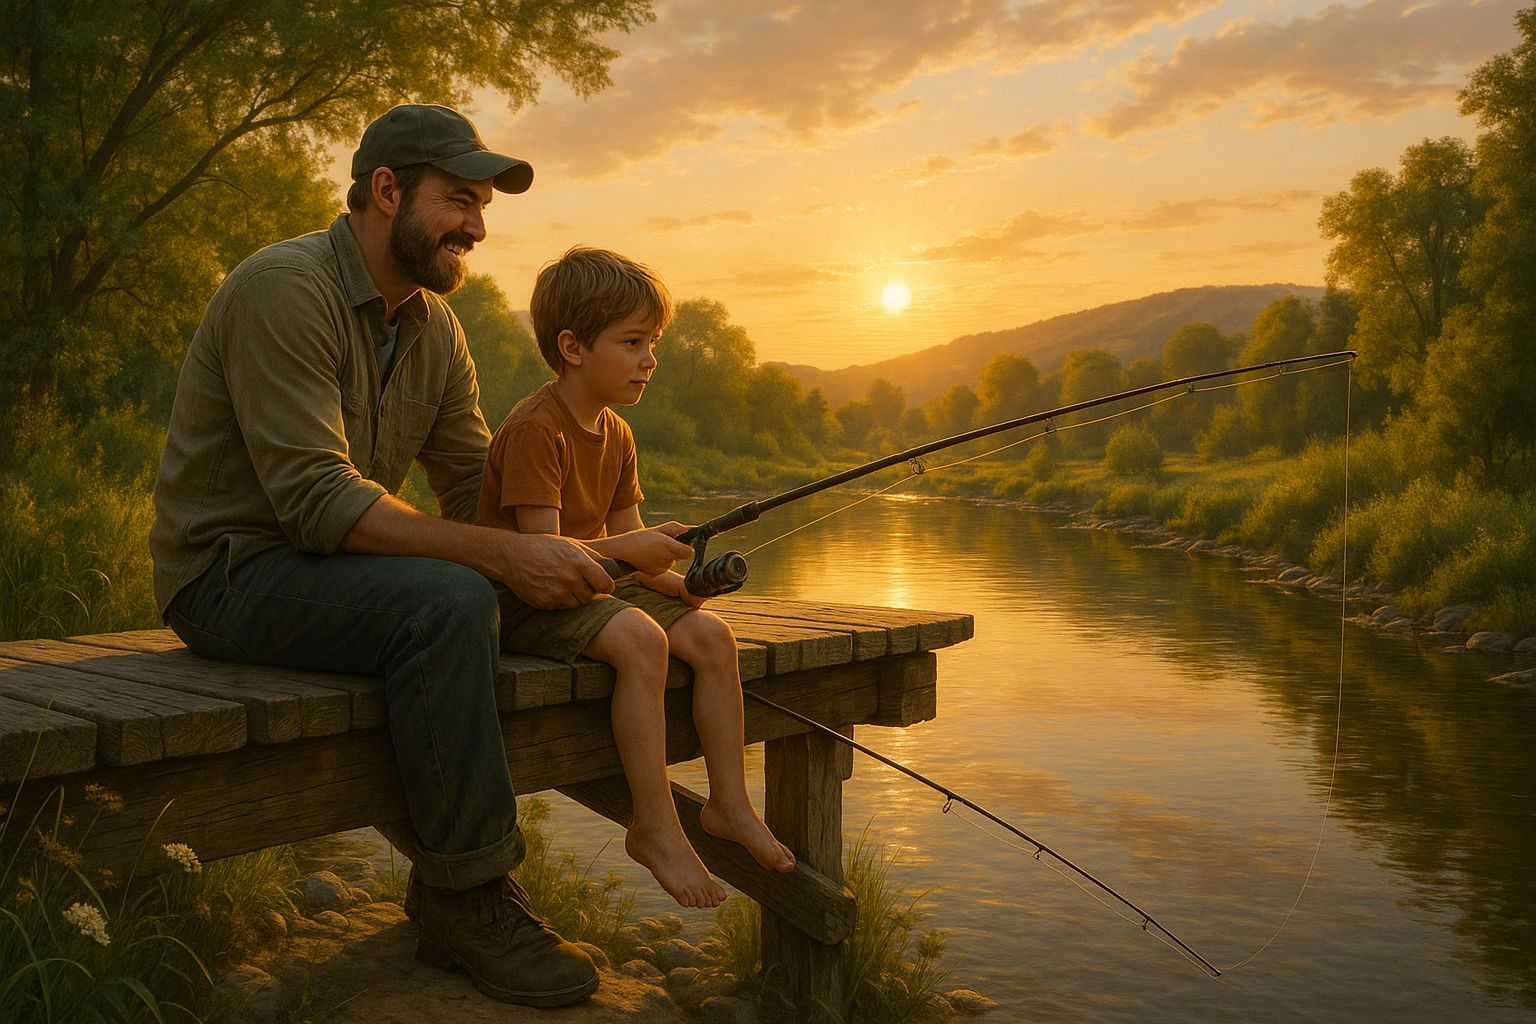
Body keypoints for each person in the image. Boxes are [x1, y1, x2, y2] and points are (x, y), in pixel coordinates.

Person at [150, 104, 690, 1008]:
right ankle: (466, 898)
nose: (476, 228)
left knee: (486, 590)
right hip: (230, 575)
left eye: (482, 207)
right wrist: (506, 561)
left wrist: (613, 564)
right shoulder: (284, 289)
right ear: (386, 191)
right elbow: (317, 500)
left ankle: (459, 881)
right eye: (458, 201)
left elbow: (475, 484)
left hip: (336, 576)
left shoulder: (435, 329)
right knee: (448, 600)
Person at [476, 247, 796, 910]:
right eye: (632, 343)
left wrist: (688, 587)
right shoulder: (537, 429)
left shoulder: (618, 434)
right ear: (572, 347)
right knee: (642, 641)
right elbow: (542, 556)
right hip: (527, 598)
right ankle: (653, 823)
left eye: (653, 343)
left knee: (712, 637)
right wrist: (633, 549)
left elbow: (631, 553)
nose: (649, 359)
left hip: (594, 586)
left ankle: (729, 804)